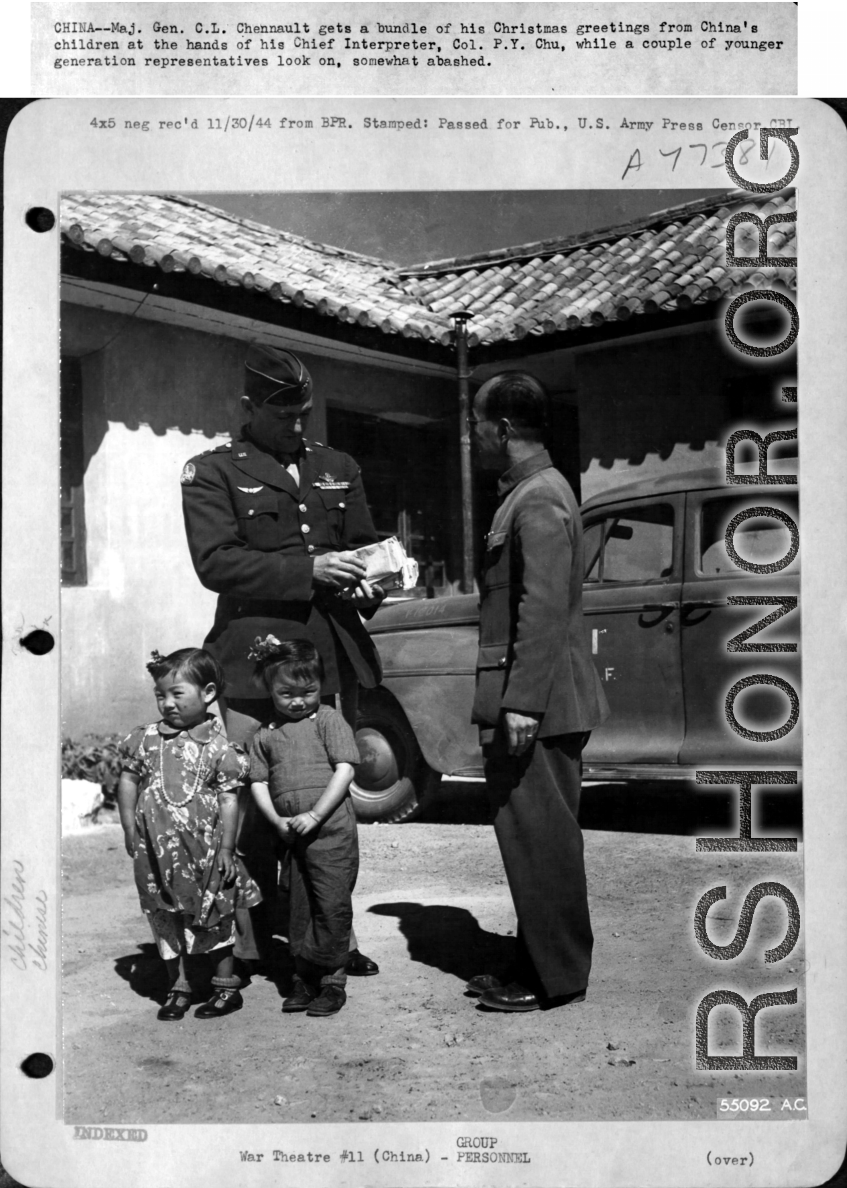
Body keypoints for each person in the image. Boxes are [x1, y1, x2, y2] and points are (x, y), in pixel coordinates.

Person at [181, 342, 381, 975]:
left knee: (326, 806)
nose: (298, 428)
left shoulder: (337, 465)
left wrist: (371, 578)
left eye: (304, 415)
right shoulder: (214, 471)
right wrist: (309, 568)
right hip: (249, 667)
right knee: (251, 806)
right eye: (283, 416)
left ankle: (332, 937)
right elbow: (215, 562)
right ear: (248, 407)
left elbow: (365, 545)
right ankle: (250, 942)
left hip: (323, 660)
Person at [466, 372, 610, 1012]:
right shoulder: (527, 493)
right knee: (531, 836)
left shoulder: (537, 499)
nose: (472, 436)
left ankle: (554, 976)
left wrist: (521, 700)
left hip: (540, 704)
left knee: (542, 839)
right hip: (541, 700)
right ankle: (537, 958)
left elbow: (544, 607)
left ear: (502, 430)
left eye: (476, 424)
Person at [117, 648, 261, 1021]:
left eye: (176, 694)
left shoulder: (219, 748)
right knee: (163, 915)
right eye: (160, 695)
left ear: (208, 693)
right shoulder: (145, 739)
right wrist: (130, 826)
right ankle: (178, 987)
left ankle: (225, 988)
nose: (167, 703)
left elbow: (230, 798)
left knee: (213, 911)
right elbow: (128, 779)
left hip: (205, 850)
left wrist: (228, 847)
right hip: (156, 853)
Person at [248, 637, 361, 1017]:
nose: (299, 700)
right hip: (292, 837)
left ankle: (333, 981)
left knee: (330, 902)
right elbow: (258, 782)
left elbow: (345, 768)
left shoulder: (327, 719)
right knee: (297, 906)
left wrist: (315, 815)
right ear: (269, 690)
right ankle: (305, 978)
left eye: (308, 691)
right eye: (287, 693)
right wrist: (276, 820)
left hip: (329, 830)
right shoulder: (265, 735)